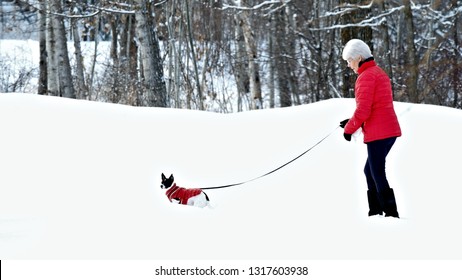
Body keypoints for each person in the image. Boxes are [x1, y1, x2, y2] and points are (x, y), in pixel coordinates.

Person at [340, 39, 402, 218]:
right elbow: (374, 106)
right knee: (370, 170)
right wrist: (351, 122)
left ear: (359, 57)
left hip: (379, 133)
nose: (349, 65)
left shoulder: (366, 76)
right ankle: (376, 211)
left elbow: (363, 110)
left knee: (376, 172)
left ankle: (390, 214)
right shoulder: (378, 72)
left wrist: (349, 130)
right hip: (388, 130)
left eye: (350, 61)